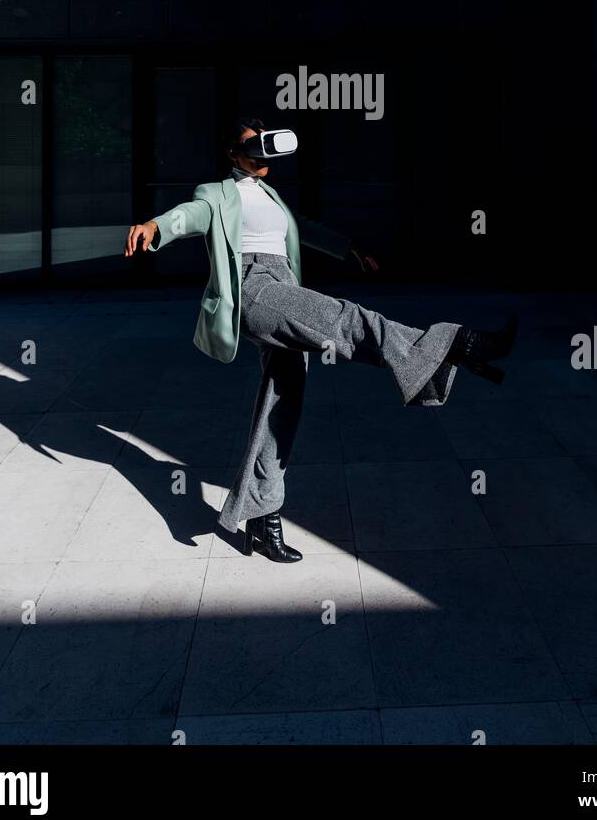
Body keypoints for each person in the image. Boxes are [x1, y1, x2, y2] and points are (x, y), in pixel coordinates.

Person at [125, 118, 517, 563]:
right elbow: (190, 215)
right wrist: (157, 227)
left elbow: (304, 229)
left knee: (282, 404)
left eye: (263, 143)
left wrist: (347, 246)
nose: (259, 150)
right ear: (232, 154)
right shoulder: (216, 192)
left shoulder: (273, 197)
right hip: (254, 287)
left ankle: (262, 516)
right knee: (347, 318)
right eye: (249, 144)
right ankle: (454, 342)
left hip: (284, 282)